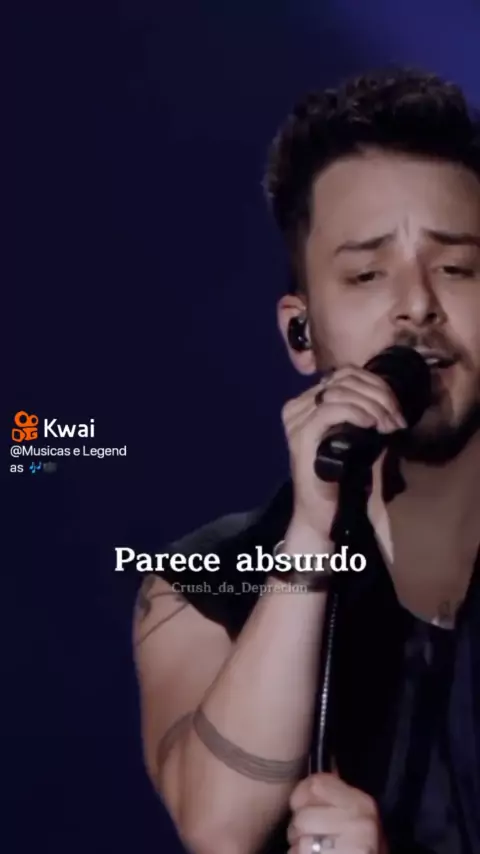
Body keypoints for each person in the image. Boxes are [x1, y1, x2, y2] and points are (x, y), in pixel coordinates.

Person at [132, 68, 480, 854]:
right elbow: (220, 828)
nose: (418, 305)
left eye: (457, 268)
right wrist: (312, 534)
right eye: (367, 274)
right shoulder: (200, 583)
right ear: (301, 332)